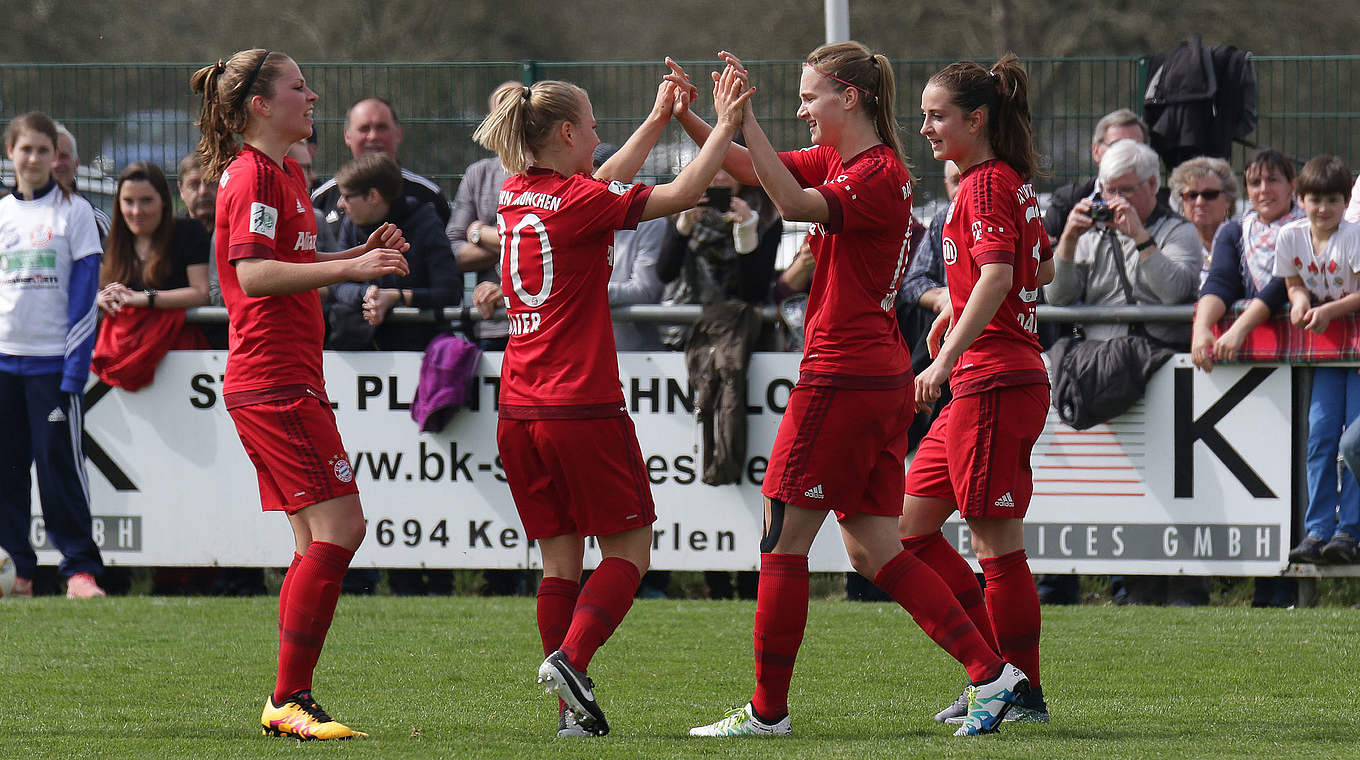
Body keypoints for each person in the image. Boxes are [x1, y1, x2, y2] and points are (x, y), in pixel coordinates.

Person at [677, 44, 1025, 740]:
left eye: (810, 98)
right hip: (872, 375)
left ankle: (767, 713)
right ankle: (994, 673)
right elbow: (747, 170)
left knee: (781, 544)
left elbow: (787, 199)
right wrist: (701, 118)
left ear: (852, 98)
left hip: (843, 376)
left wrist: (739, 120)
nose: (802, 109)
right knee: (874, 549)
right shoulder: (851, 162)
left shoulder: (877, 172)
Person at [470, 62, 751, 738]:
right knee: (630, 552)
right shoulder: (578, 202)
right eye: (593, 128)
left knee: (560, 563)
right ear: (566, 131)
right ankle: (574, 657)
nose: (599, 139)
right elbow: (685, 191)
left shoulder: (515, 194)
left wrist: (657, 119)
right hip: (580, 406)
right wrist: (730, 125)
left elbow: (597, 181)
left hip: (519, 410)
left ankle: (570, 715)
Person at [191, 48, 410, 741]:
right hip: (273, 382)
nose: (312, 99)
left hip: (287, 379)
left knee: (316, 535)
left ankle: (289, 699)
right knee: (342, 529)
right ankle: (289, 696)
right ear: (260, 104)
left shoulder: (285, 172)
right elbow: (254, 276)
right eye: (298, 88)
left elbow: (288, 262)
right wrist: (353, 265)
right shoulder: (252, 174)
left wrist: (353, 255)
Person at [900, 53, 1056, 729]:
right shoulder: (1006, 183)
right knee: (910, 532)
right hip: (981, 380)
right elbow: (1040, 268)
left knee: (997, 546)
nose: (926, 126)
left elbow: (1000, 277)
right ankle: (993, 671)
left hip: (993, 380)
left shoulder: (989, 185)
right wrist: (954, 304)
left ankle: (1020, 693)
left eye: (938, 116)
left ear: (977, 119)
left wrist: (943, 358)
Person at [0, 111, 107, 599]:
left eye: (46, 150)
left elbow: (86, 294)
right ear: (11, 154)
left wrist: (73, 367)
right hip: (6, 363)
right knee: (7, 469)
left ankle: (78, 569)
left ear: (57, 158)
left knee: (59, 469)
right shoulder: (2, 214)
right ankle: (16, 569)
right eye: (27, 149)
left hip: (52, 366)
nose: (36, 158)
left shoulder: (74, 212)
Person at [1277, 156, 1360, 566]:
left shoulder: (1354, 236)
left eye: (1332, 199)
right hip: (1328, 351)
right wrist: (1300, 300)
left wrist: (1329, 310)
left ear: (1346, 202)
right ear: (1301, 199)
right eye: (1314, 199)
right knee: (1321, 439)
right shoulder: (1290, 236)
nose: (1322, 207)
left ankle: (1350, 530)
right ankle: (1317, 530)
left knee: (1354, 444)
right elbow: (1292, 281)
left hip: (1355, 348)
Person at [1045, 138, 1203, 349]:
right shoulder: (1090, 234)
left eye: (1126, 190)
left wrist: (1139, 235)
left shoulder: (1179, 231)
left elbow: (1173, 293)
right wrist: (1068, 239)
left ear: (1153, 184)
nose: (1116, 200)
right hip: (1096, 356)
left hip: (1157, 355)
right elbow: (1057, 297)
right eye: (1109, 190)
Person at [93, 162, 211, 384]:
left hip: (181, 357)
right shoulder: (110, 245)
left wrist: (143, 298)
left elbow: (200, 292)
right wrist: (100, 298)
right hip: (122, 359)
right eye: (128, 202)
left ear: (164, 202)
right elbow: (95, 289)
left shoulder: (189, 233)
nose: (137, 211)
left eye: (146, 201)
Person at [329, 153, 460, 352]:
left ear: (373, 196)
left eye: (347, 196)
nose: (339, 204)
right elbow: (338, 284)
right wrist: (367, 293)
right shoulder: (351, 223)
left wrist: (398, 297)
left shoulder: (426, 222)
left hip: (420, 350)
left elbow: (449, 292)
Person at [311, 97, 451, 239]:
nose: (373, 137)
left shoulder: (427, 196)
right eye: (364, 129)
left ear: (398, 133)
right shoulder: (323, 198)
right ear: (347, 136)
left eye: (381, 127)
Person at [451, 82, 519, 353]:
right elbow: (452, 251)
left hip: (540, 323)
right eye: (501, 113)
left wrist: (480, 234)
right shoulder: (478, 174)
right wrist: (515, 245)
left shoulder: (554, 172)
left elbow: (553, 243)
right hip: (491, 325)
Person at [1043, 108, 1153, 244]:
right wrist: (1068, 239)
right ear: (1096, 151)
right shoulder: (1068, 201)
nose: (1125, 153)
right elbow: (1043, 256)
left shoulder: (1157, 204)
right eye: (1116, 145)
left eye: (1136, 146)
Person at [1168, 156, 1238, 281]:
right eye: (1191, 195)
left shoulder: (1242, 241)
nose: (1199, 202)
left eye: (1209, 194)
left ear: (1228, 200)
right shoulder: (1172, 244)